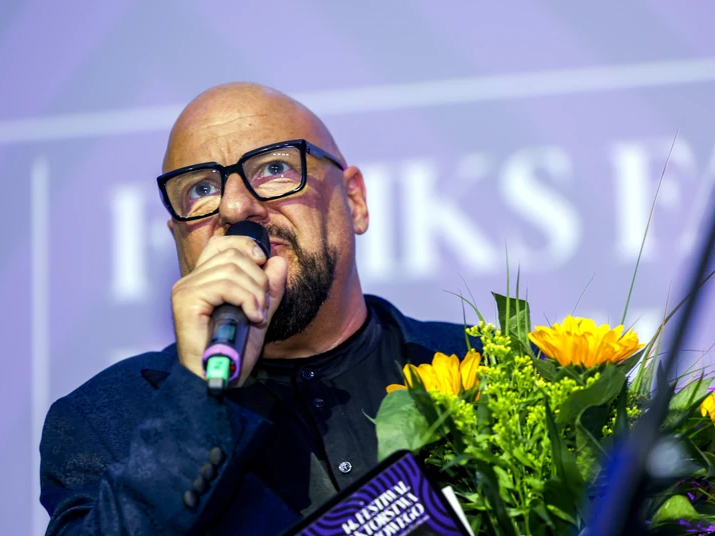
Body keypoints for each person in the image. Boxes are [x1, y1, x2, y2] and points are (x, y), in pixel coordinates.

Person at [39, 83, 475, 535]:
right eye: (201, 189)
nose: (234, 207)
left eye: (274, 168)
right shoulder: (102, 419)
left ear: (355, 201)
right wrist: (197, 393)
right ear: (178, 239)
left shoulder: (486, 360)